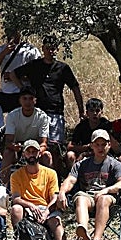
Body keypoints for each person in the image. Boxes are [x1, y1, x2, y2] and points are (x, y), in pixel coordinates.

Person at [15, 37, 85, 171]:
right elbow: (13, 74)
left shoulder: (62, 68)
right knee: (38, 148)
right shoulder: (35, 65)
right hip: (37, 113)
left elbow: (75, 87)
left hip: (55, 113)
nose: (50, 51)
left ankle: (56, 180)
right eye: (47, 48)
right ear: (43, 49)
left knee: (55, 148)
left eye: (53, 48)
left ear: (57, 49)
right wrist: (24, 91)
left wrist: (80, 110)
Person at [56, 129, 121, 240]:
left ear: (109, 145)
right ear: (92, 146)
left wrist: (107, 190)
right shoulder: (81, 164)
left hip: (108, 199)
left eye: (103, 144)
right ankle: (83, 229)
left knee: (103, 199)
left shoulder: (115, 164)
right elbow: (70, 180)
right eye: (97, 144)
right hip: (88, 197)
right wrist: (61, 192)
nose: (100, 148)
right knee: (80, 198)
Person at [9, 139, 63, 240]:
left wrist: (46, 212)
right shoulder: (16, 175)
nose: (31, 155)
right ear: (24, 154)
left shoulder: (51, 173)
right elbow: (16, 199)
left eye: (34, 152)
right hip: (28, 209)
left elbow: (54, 197)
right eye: (28, 152)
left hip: (46, 207)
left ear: (39, 153)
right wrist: (30, 205)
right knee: (16, 209)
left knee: (54, 220)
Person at [2, 86, 51, 179]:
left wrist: (38, 151)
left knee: (47, 156)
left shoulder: (42, 116)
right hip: (18, 147)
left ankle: (49, 183)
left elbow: (43, 142)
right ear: (20, 100)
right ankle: (3, 183)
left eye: (30, 99)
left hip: (35, 147)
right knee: (8, 153)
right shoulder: (12, 116)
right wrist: (15, 147)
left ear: (35, 100)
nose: (27, 102)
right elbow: (8, 141)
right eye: (24, 99)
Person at [0, 30, 40, 113]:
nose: (12, 34)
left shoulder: (30, 50)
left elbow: (38, 73)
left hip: (22, 93)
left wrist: (15, 77)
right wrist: (4, 52)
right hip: (6, 92)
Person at [65, 98, 112, 167]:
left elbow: (111, 146)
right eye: (92, 111)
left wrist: (85, 154)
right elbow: (70, 146)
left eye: (97, 111)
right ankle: (74, 175)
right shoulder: (81, 126)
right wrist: (86, 147)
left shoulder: (106, 125)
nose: (95, 113)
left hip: (102, 152)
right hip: (85, 152)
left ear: (101, 112)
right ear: (87, 113)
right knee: (70, 155)